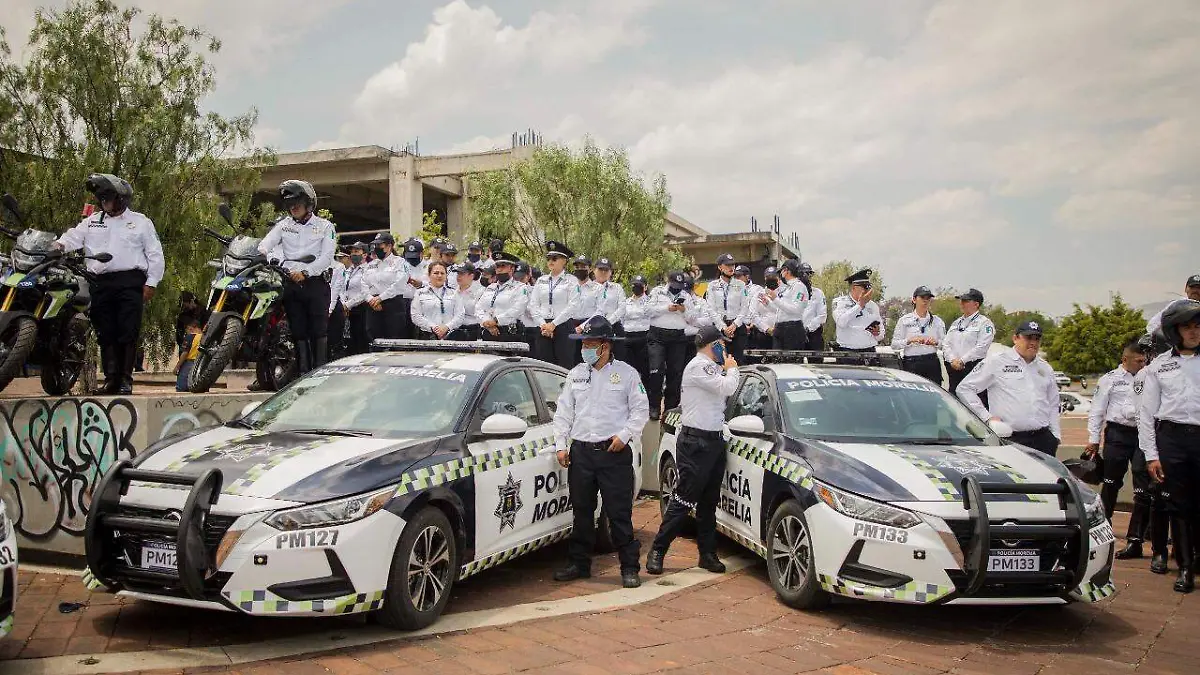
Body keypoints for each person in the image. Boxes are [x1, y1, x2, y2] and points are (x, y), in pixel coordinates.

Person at [552, 315, 649, 589]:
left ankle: (629, 567)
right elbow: (563, 413)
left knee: (618, 514)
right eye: (584, 343)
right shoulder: (576, 374)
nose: (585, 348)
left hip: (613, 453)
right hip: (581, 453)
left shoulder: (628, 374)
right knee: (582, 512)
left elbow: (640, 410)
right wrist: (561, 445)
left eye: (591, 343)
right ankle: (579, 564)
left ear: (606, 345)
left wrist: (625, 435)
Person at [55, 173, 165, 394]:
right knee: (106, 333)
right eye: (102, 198)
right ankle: (111, 379)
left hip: (129, 281)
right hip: (99, 282)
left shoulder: (140, 222)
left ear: (121, 199)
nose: (104, 202)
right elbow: (72, 237)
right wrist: (56, 246)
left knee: (127, 331)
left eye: (109, 198)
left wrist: (152, 282)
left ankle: (125, 380)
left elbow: (155, 254)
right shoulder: (93, 221)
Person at [646, 324, 738, 576]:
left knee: (708, 502)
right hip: (696, 443)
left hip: (713, 441)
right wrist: (732, 370)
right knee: (684, 500)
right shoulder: (700, 366)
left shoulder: (709, 367)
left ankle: (707, 555)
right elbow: (727, 388)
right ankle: (657, 550)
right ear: (712, 345)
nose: (724, 349)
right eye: (721, 345)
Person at [1139, 299, 1200, 593]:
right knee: (1179, 506)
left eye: (1198, 326)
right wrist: (1152, 455)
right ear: (1174, 331)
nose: (1193, 332)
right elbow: (1146, 415)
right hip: (1172, 439)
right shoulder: (1158, 368)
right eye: (1187, 326)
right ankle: (1186, 568)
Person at [256, 180, 336, 376]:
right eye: (289, 204)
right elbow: (265, 246)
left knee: (319, 331)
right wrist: (276, 260)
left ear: (309, 203)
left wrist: (306, 272)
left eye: (297, 202)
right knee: (298, 331)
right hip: (290, 284)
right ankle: (302, 374)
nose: (293, 207)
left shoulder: (325, 226)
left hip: (315, 284)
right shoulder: (283, 226)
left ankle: (320, 374)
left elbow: (327, 257)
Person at [957, 320, 1061, 456]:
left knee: (1046, 477)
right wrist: (986, 418)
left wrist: (1055, 435)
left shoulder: (1045, 368)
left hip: (1043, 439)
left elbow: (1053, 404)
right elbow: (965, 388)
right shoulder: (997, 361)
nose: (1033, 342)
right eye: (1028, 337)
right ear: (1015, 338)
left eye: (1037, 338)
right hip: (1011, 439)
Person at [1086, 341, 1151, 558]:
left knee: (1143, 486)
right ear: (1125, 360)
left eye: (1145, 360)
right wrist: (1093, 439)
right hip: (1117, 434)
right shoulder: (1110, 380)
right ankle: (1101, 532)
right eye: (1138, 361)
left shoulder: (1150, 378)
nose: (1143, 364)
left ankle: (1135, 540)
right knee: (1111, 484)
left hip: (1143, 435)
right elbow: (1097, 410)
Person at [646, 272, 695, 420]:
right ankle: (654, 405)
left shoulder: (686, 296)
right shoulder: (657, 292)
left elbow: (693, 319)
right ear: (669, 281)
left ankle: (670, 409)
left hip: (678, 337)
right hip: (657, 335)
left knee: (675, 374)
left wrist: (683, 310)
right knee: (656, 370)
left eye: (679, 287)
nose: (676, 289)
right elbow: (647, 311)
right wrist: (667, 308)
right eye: (674, 286)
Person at [943, 288, 995, 398]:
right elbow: (946, 344)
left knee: (973, 402)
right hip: (953, 368)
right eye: (961, 300)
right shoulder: (956, 323)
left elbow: (982, 346)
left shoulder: (985, 323)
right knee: (954, 402)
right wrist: (953, 359)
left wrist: (962, 360)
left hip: (972, 368)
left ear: (976, 304)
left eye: (966, 301)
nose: (961, 303)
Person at [533, 241, 576, 366]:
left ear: (564, 261)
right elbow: (533, 305)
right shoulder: (541, 280)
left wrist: (554, 324)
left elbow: (573, 305)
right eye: (548, 258)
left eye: (555, 258)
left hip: (563, 326)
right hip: (543, 327)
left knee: (564, 366)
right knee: (543, 366)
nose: (550, 261)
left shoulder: (571, 281)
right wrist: (543, 324)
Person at [892, 286, 946, 383]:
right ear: (914, 299)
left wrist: (936, 342)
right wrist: (909, 340)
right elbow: (894, 345)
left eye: (928, 299)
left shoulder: (937, 321)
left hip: (931, 361)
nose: (925, 301)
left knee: (934, 395)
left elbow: (946, 345)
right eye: (922, 298)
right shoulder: (904, 320)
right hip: (911, 363)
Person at [555, 254, 603, 366]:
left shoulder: (597, 288)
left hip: (589, 327)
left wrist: (582, 327)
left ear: (590, 269)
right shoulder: (567, 287)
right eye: (577, 267)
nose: (580, 270)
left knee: (588, 363)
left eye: (583, 267)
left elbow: (599, 311)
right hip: (568, 326)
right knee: (568, 361)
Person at [361, 233, 410, 341]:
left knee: (394, 339)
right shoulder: (370, 265)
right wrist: (371, 300)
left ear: (389, 246)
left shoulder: (401, 262)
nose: (377, 248)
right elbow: (363, 284)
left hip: (393, 304)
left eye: (380, 245)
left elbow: (400, 283)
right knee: (373, 339)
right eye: (376, 245)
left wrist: (380, 298)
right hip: (373, 305)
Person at [705, 253, 751, 361]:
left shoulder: (740, 285)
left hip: (737, 327)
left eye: (732, 265)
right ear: (720, 267)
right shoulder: (712, 285)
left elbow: (744, 307)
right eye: (727, 265)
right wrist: (723, 327)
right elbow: (711, 309)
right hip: (720, 328)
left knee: (738, 362)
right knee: (720, 362)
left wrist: (735, 325)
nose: (731, 268)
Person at [477, 252, 529, 342]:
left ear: (512, 269)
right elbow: (479, 307)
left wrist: (496, 320)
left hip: (510, 333)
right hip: (488, 331)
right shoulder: (490, 287)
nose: (499, 269)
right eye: (497, 266)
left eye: (503, 266)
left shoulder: (520, 287)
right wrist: (486, 322)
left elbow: (518, 309)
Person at [831, 269, 883, 352]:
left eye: (868, 286)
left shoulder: (873, 305)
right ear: (853, 287)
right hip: (847, 351)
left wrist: (877, 333)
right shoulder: (840, 302)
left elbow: (881, 334)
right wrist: (859, 305)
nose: (867, 290)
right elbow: (841, 322)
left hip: (869, 350)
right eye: (864, 286)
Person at [410, 261, 465, 340]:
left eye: (442, 273)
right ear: (429, 275)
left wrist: (447, 327)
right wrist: (433, 327)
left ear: (446, 275)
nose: (439, 275)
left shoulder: (454, 293)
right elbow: (415, 316)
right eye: (436, 273)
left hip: (450, 336)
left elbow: (460, 315)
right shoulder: (420, 293)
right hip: (427, 336)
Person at [762, 259, 810, 350]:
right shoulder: (786, 288)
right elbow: (781, 310)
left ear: (787, 270)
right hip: (780, 327)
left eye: (781, 271)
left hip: (792, 328)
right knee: (778, 361)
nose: (780, 274)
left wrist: (775, 299)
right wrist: (768, 303)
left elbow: (796, 309)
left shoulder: (799, 286)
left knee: (791, 362)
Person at [593, 257, 627, 360]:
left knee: (618, 359)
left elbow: (622, 308)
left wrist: (608, 322)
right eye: (600, 269)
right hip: (593, 327)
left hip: (613, 326)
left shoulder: (617, 288)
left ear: (610, 272)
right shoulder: (588, 287)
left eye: (606, 270)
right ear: (594, 270)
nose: (603, 272)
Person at [341, 242, 371, 355]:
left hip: (361, 308)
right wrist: (343, 303)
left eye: (356, 252)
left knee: (361, 340)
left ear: (364, 254)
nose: (353, 254)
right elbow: (342, 287)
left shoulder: (368, 269)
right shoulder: (348, 270)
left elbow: (365, 292)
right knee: (350, 342)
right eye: (352, 252)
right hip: (347, 310)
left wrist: (348, 305)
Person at [622, 275, 652, 388]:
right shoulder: (626, 302)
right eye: (634, 285)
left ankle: (646, 396)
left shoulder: (650, 302)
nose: (636, 287)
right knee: (629, 370)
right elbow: (621, 319)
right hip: (628, 337)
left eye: (639, 285)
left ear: (645, 287)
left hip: (644, 337)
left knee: (645, 370)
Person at [398, 238, 428, 338]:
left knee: (420, 333)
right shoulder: (401, 265)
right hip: (404, 303)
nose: (412, 260)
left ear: (421, 254)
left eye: (414, 256)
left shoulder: (429, 266)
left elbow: (436, 284)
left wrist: (422, 284)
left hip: (422, 303)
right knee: (404, 332)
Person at [748, 266, 780, 352]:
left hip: (781, 335)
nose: (771, 279)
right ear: (765, 278)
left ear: (778, 278)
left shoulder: (784, 294)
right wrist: (766, 328)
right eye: (768, 277)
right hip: (763, 335)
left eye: (773, 277)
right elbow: (753, 314)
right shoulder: (759, 294)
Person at [327, 250, 351, 361]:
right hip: (320, 303)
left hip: (334, 305)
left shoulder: (339, 267)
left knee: (335, 340)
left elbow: (336, 288)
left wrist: (330, 309)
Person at [450, 263, 484, 341]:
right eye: (458, 273)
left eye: (462, 274)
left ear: (471, 276)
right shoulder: (452, 292)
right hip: (455, 330)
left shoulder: (480, 292)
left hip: (473, 331)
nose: (458, 276)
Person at [799, 262, 827, 351]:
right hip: (796, 335)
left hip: (814, 335)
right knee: (795, 364)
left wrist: (808, 328)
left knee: (816, 364)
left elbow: (822, 316)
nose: (806, 276)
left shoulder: (818, 293)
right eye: (803, 273)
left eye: (808, 274)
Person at [515, 262, 541, 351]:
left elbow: (533, 313)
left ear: (528, 276)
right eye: (516, 277)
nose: (518, 280)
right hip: (513, 331)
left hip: (530, 330)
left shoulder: (534, 292)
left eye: (521, 278)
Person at [173, 316, 202, 392]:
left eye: (187, 330)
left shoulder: (190, 337)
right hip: (201, 364)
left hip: (190, 363)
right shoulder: (205, 337)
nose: (187, 332)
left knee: (181, 387)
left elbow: (185, 353)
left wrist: (177, 366)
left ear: (191, 328)